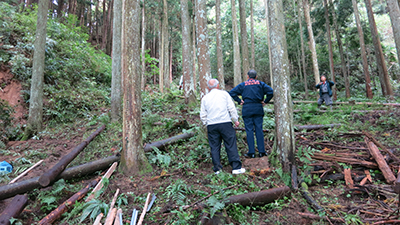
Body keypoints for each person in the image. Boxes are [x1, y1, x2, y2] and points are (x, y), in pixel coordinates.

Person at [200, 78, 245, 175]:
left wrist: (205, 123)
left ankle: (217, 169)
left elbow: (203, 114)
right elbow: (231, 108)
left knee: (215, 146)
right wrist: (235, 119)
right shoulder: (224, 94)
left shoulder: (205, 98)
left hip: (211, 124)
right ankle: (236, 167)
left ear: (208, 87)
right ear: (218, 85)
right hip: (225, 122)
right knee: (230, 144)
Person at [229, 70, 273, 158]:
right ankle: (261, 151)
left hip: (247, 108)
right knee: (259, 129)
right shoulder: (260, 84)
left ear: (248, 76)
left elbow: (232, 92)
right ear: (256, 77)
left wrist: (239, 101)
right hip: (258, 108)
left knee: (249, 130)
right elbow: (271, 92)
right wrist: (265, 101)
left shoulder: (243, 84)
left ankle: (251, 152)